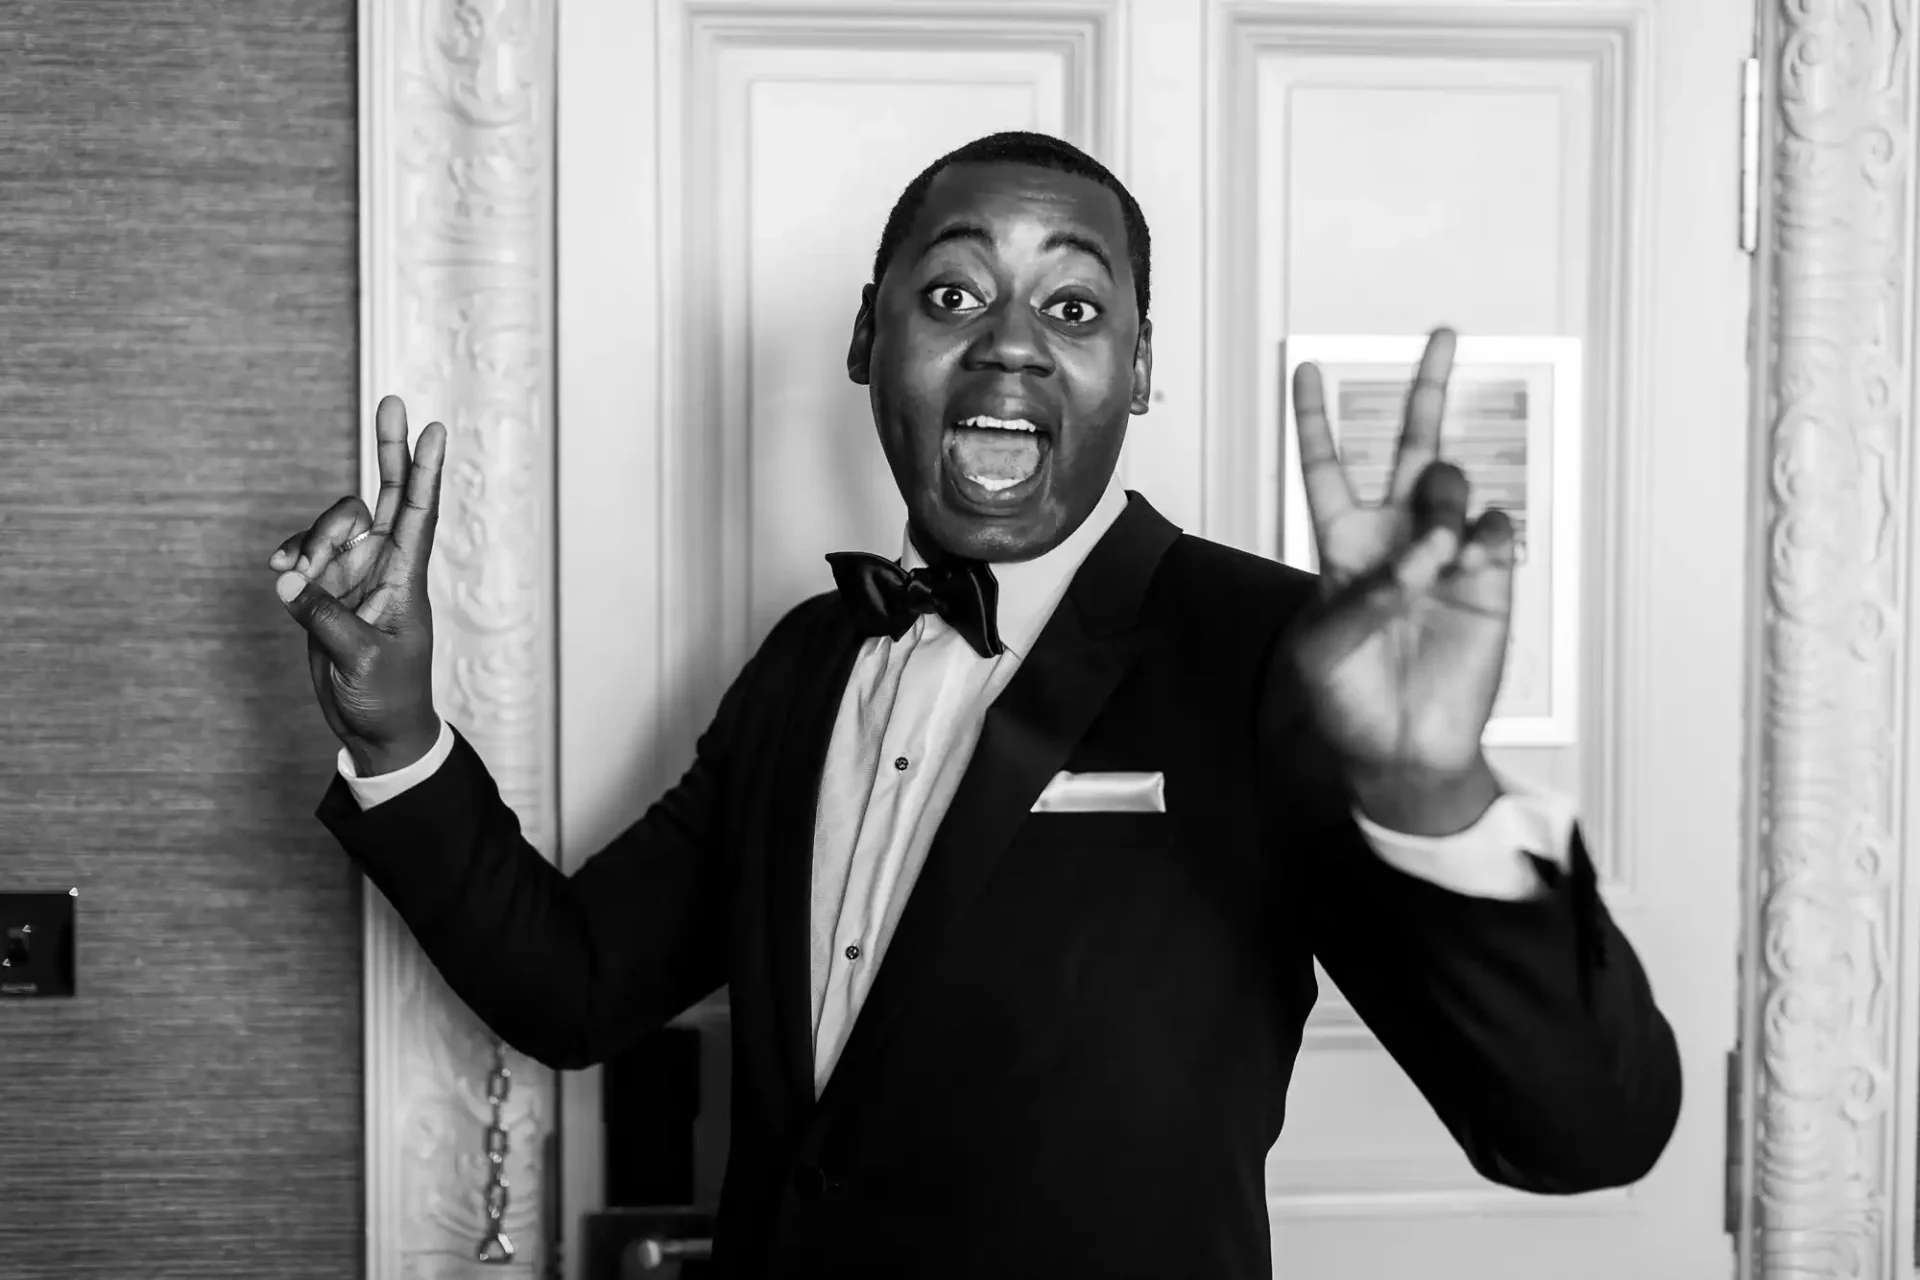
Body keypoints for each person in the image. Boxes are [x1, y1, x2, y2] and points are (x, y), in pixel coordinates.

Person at [267, 131, 1679, 1279]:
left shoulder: (1273, 653)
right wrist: (394, 729)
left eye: (1075, 307)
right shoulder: (810, 661)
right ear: (868, 342)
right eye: (952, 297)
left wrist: (1437, 794)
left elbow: (1579, 1129)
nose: (1010, 344)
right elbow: (574, 989)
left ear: (1141, 368)